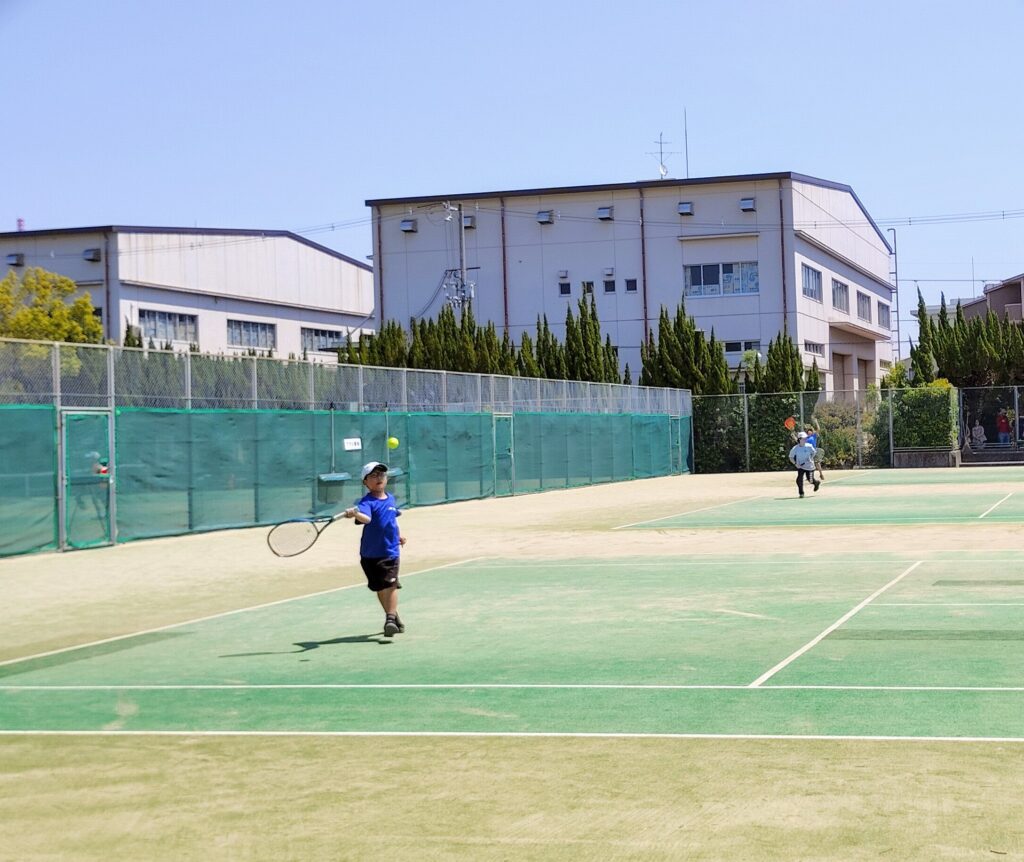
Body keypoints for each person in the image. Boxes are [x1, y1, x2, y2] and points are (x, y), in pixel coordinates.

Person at [343, 461, 407, 637]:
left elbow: (392, 520)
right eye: (373, 475)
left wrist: (398, 536)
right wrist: (355, 513)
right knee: (380, 587)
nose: (379, 478)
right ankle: (393, 615)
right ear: (365, 482)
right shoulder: (366, 502)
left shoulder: (391, 499)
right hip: (369, 555)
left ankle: (390, 619)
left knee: (391, 585)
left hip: (390, 551)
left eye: (382, 474)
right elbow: (367, 519)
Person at [788, 431, 819, 497]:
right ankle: (801, 493)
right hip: (800, 466)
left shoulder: (809, 446)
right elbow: (791, 457)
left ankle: (816, 483)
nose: (805, 440)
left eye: (806, 438)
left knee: (810, 480)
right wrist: (795, 463)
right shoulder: (795, 448)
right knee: (799, 480)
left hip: (810, 466)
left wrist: (811, 457)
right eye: (804, 438)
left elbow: (814, 452)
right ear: (799, 439)